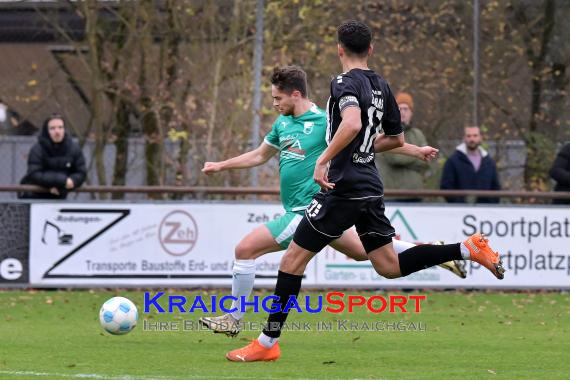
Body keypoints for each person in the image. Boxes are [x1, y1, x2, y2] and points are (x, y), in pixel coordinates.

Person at [226, 21, 505, 362]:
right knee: (387, 266)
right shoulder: (380, 84)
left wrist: (324, 159)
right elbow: (394, 139)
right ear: (370, 49)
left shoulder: (344, 82)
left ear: (339, 48)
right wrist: (378, 148)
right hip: (370, 184)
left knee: (291, 260)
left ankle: (266, 344)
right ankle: (465, 249)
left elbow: (353, 123)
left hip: (342, 187)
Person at [199, 66, 466, 337]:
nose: (275, 104)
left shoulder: (324, 122)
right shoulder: (282, 124)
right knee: (365, 252)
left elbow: (368, 141)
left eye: (278, 98)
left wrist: (414, 150)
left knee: (245, 250)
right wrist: (221, 166)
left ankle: (233, 318)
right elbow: (259, 156)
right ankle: (435, 252)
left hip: (307, 209)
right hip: (319, 213)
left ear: (295, 94)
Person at [375, 92, 428, 202]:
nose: (403, 112)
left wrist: (416, 156)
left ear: (411, 112)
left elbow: (426, 161)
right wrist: (417, 154)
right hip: (391, 195)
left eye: (406, 109)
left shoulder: (418, 134)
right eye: (400, 109)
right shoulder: (385, 132)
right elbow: (396, 159)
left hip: (415, 194)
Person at [19, 113, 86, 199]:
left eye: (60, 127)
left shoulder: (74, 148)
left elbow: (81, 172)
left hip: (60, 198)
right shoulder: (38, 149)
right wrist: (60, 182)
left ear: (64, 129)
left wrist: (72, 181)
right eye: (52, 128)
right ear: (47, 131)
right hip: (35, 197)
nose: (57, 131)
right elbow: (34, 173)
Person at [440, 125, 501, 203]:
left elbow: (496, 187)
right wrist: (459, 204)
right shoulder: (453, 161)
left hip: (485, 211)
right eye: (468, 136)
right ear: (464, 138)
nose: (472, 139)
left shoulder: (489, 162)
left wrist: (489, 205)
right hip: (460, 211)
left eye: (475, 136)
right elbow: (446, 187)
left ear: (480, 138)